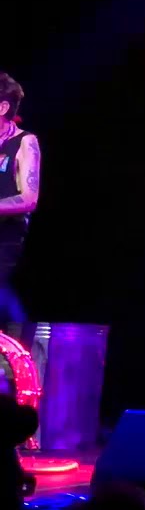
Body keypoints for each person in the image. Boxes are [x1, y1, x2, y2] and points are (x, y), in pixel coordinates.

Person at [0, 73, 37, 328]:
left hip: (6, 236)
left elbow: (29, 198)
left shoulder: (25, 142)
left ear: (2, 107)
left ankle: (21, 338)